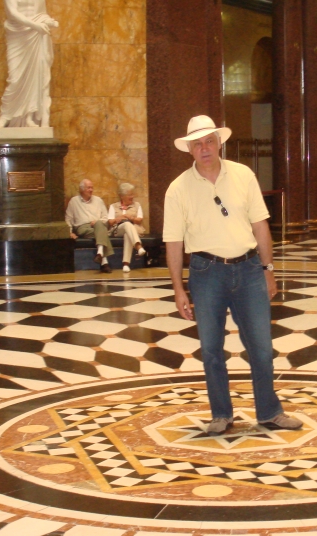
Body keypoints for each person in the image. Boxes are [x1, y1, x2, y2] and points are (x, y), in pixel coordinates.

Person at [164, 115, 302, 436]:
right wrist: (178, 289)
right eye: (197, 144)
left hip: (250, 270)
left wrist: (268, 269)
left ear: (219, 143)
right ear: (190, 150)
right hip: (206, 273)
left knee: (261, 347)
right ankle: (221, 414)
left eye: (209, 141)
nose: (204, 148)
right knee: (212, 349)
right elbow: (173, 242)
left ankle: (269, 411)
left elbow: (260, 226)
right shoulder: (177, 189)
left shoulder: (243, 175)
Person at [0, 0, 59, 128]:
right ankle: (6, 115)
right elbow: (12, 12)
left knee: (35, 78)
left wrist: (49, 21)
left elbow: (41, 13)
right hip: (18, 36)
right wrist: (35, 25)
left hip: (35, 37)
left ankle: (29, 117)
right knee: (15, 78)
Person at [65, 179, 114, 273]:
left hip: (98, 226)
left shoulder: (98, 200)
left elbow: (105, 217)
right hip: (82, 227)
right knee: (102, 233)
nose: (91, 190)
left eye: (92, 188)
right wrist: (69, 232)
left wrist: (97, 222)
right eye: (88, 188)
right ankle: (102, 258)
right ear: (82, 189)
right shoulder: (74, 201)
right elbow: (68, 219)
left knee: (99, 226)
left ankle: (102, 258)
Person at [108, 183, 146, 273]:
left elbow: (139, 220)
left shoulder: (137, 205)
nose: (132, 197)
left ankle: (126, 264)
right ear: (122, 196)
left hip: (133, 229)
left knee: (127, 233)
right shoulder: (113, 206)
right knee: (127, 225)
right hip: (118, 229)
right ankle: (138, 246)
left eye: (132, 194)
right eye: (129, 195)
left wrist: (130, 218)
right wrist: (118, 218)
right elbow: (110, 222)